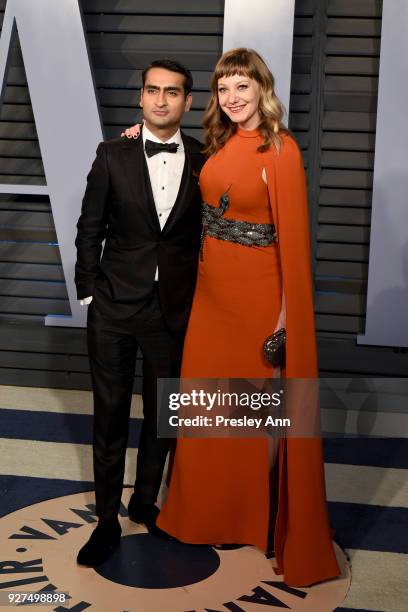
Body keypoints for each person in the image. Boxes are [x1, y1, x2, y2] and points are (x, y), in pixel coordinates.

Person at [124, 48, 341, 587]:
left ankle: (252, 521)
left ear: (262, 89)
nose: (233, 97)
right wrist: (138, 138)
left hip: (257, 298)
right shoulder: (218, 143)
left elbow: (292, 242)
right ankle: (200, 515)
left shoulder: (280, 149)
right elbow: (180, 166)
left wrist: (285, 321)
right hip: (210, 297)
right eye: (225, 88)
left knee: (251, 414)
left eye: (243, 86)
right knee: (204, 408)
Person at [74, 59, 205, 566]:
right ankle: (106, 520)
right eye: (152, 90)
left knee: (163, 416)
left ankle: (146, 501)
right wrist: (89, 291)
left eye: (172, 92)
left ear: (187, 102)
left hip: (171, 310)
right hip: (112, 307)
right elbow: (90, 226)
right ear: (140, 97)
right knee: (109, 416)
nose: (161, 99)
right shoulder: (112, 154)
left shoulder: (204, 157)